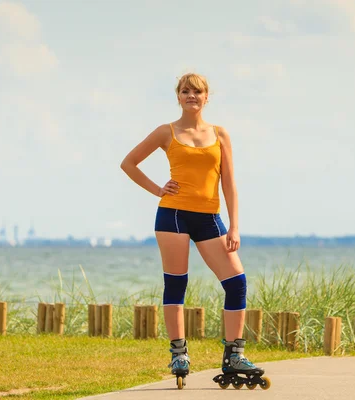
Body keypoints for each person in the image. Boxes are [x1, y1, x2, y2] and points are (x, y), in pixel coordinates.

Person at [120, 72, 266, 389]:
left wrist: (235, 226)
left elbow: (229, 183)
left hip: (209, 218)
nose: (191, 96)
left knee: (237, 282)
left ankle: (234, 355)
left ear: (206, 97)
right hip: (173, 215)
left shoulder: (221, 135)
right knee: (177, 283)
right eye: (185, 91)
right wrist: (158, 190)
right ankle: (179, 353)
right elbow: (129, 163)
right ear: (178, 97)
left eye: (197, 92)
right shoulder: (166, 131)